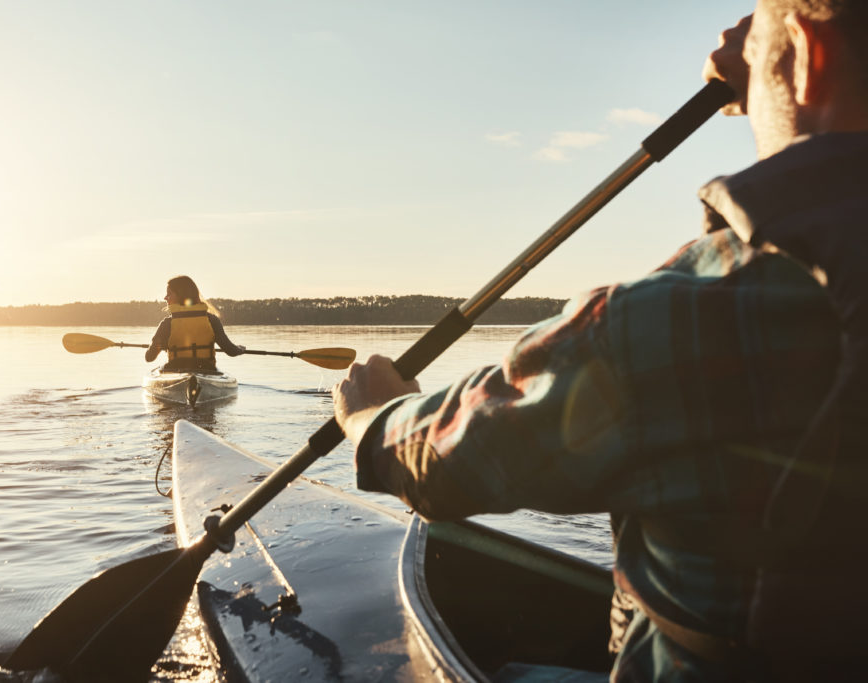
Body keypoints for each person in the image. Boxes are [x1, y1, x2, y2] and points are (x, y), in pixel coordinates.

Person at [332, 1, 868, 680]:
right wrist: (776, 65)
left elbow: (446, 462)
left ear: (808, 47)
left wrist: (372, 418)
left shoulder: (690, 312)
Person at [145, 275, 245, 372]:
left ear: (181, 295)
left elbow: (149, 357)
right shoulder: (212, 320)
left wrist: (158, 347)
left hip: (175, 369)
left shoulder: (167, 324)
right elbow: (231, 351)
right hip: (207, 369)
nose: (165, 297)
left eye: (169, 294)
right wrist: (240, 349)